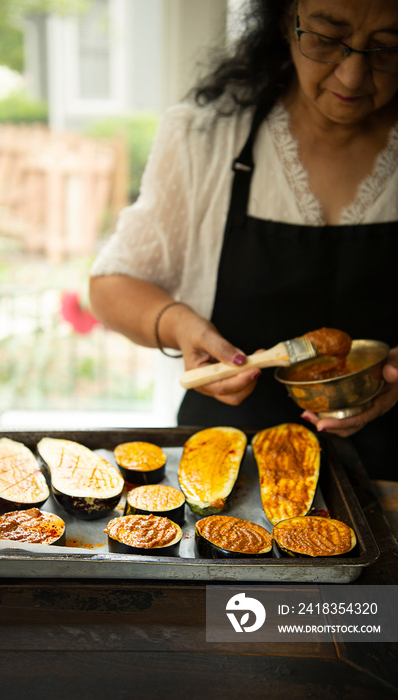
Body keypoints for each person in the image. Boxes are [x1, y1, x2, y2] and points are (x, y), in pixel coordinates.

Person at [89, 0, 398, 479]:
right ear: (284, 20)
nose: (353, 76)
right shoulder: (208, 135)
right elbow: (112, 285)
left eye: (386, 49)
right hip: (228, 470)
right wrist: (180, 326)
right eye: (325, 38)